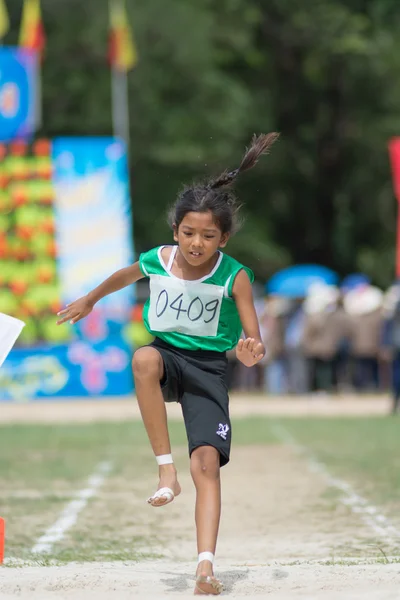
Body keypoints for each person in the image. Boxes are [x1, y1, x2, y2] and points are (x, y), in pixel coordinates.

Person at [56, 132, 279, 595]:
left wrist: (250, 349)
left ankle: (205, 568)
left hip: (208, 370)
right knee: (143, 358)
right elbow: (124, 275)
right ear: (175, 231)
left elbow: (252, 336)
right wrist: (90, 299)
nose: (197, 243)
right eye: (189, 233)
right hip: (167, 357)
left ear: (225, 237)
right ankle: (164, 470)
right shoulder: (158, 260)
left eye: (209, 236)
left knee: (207, 465)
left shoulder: (234, 276)